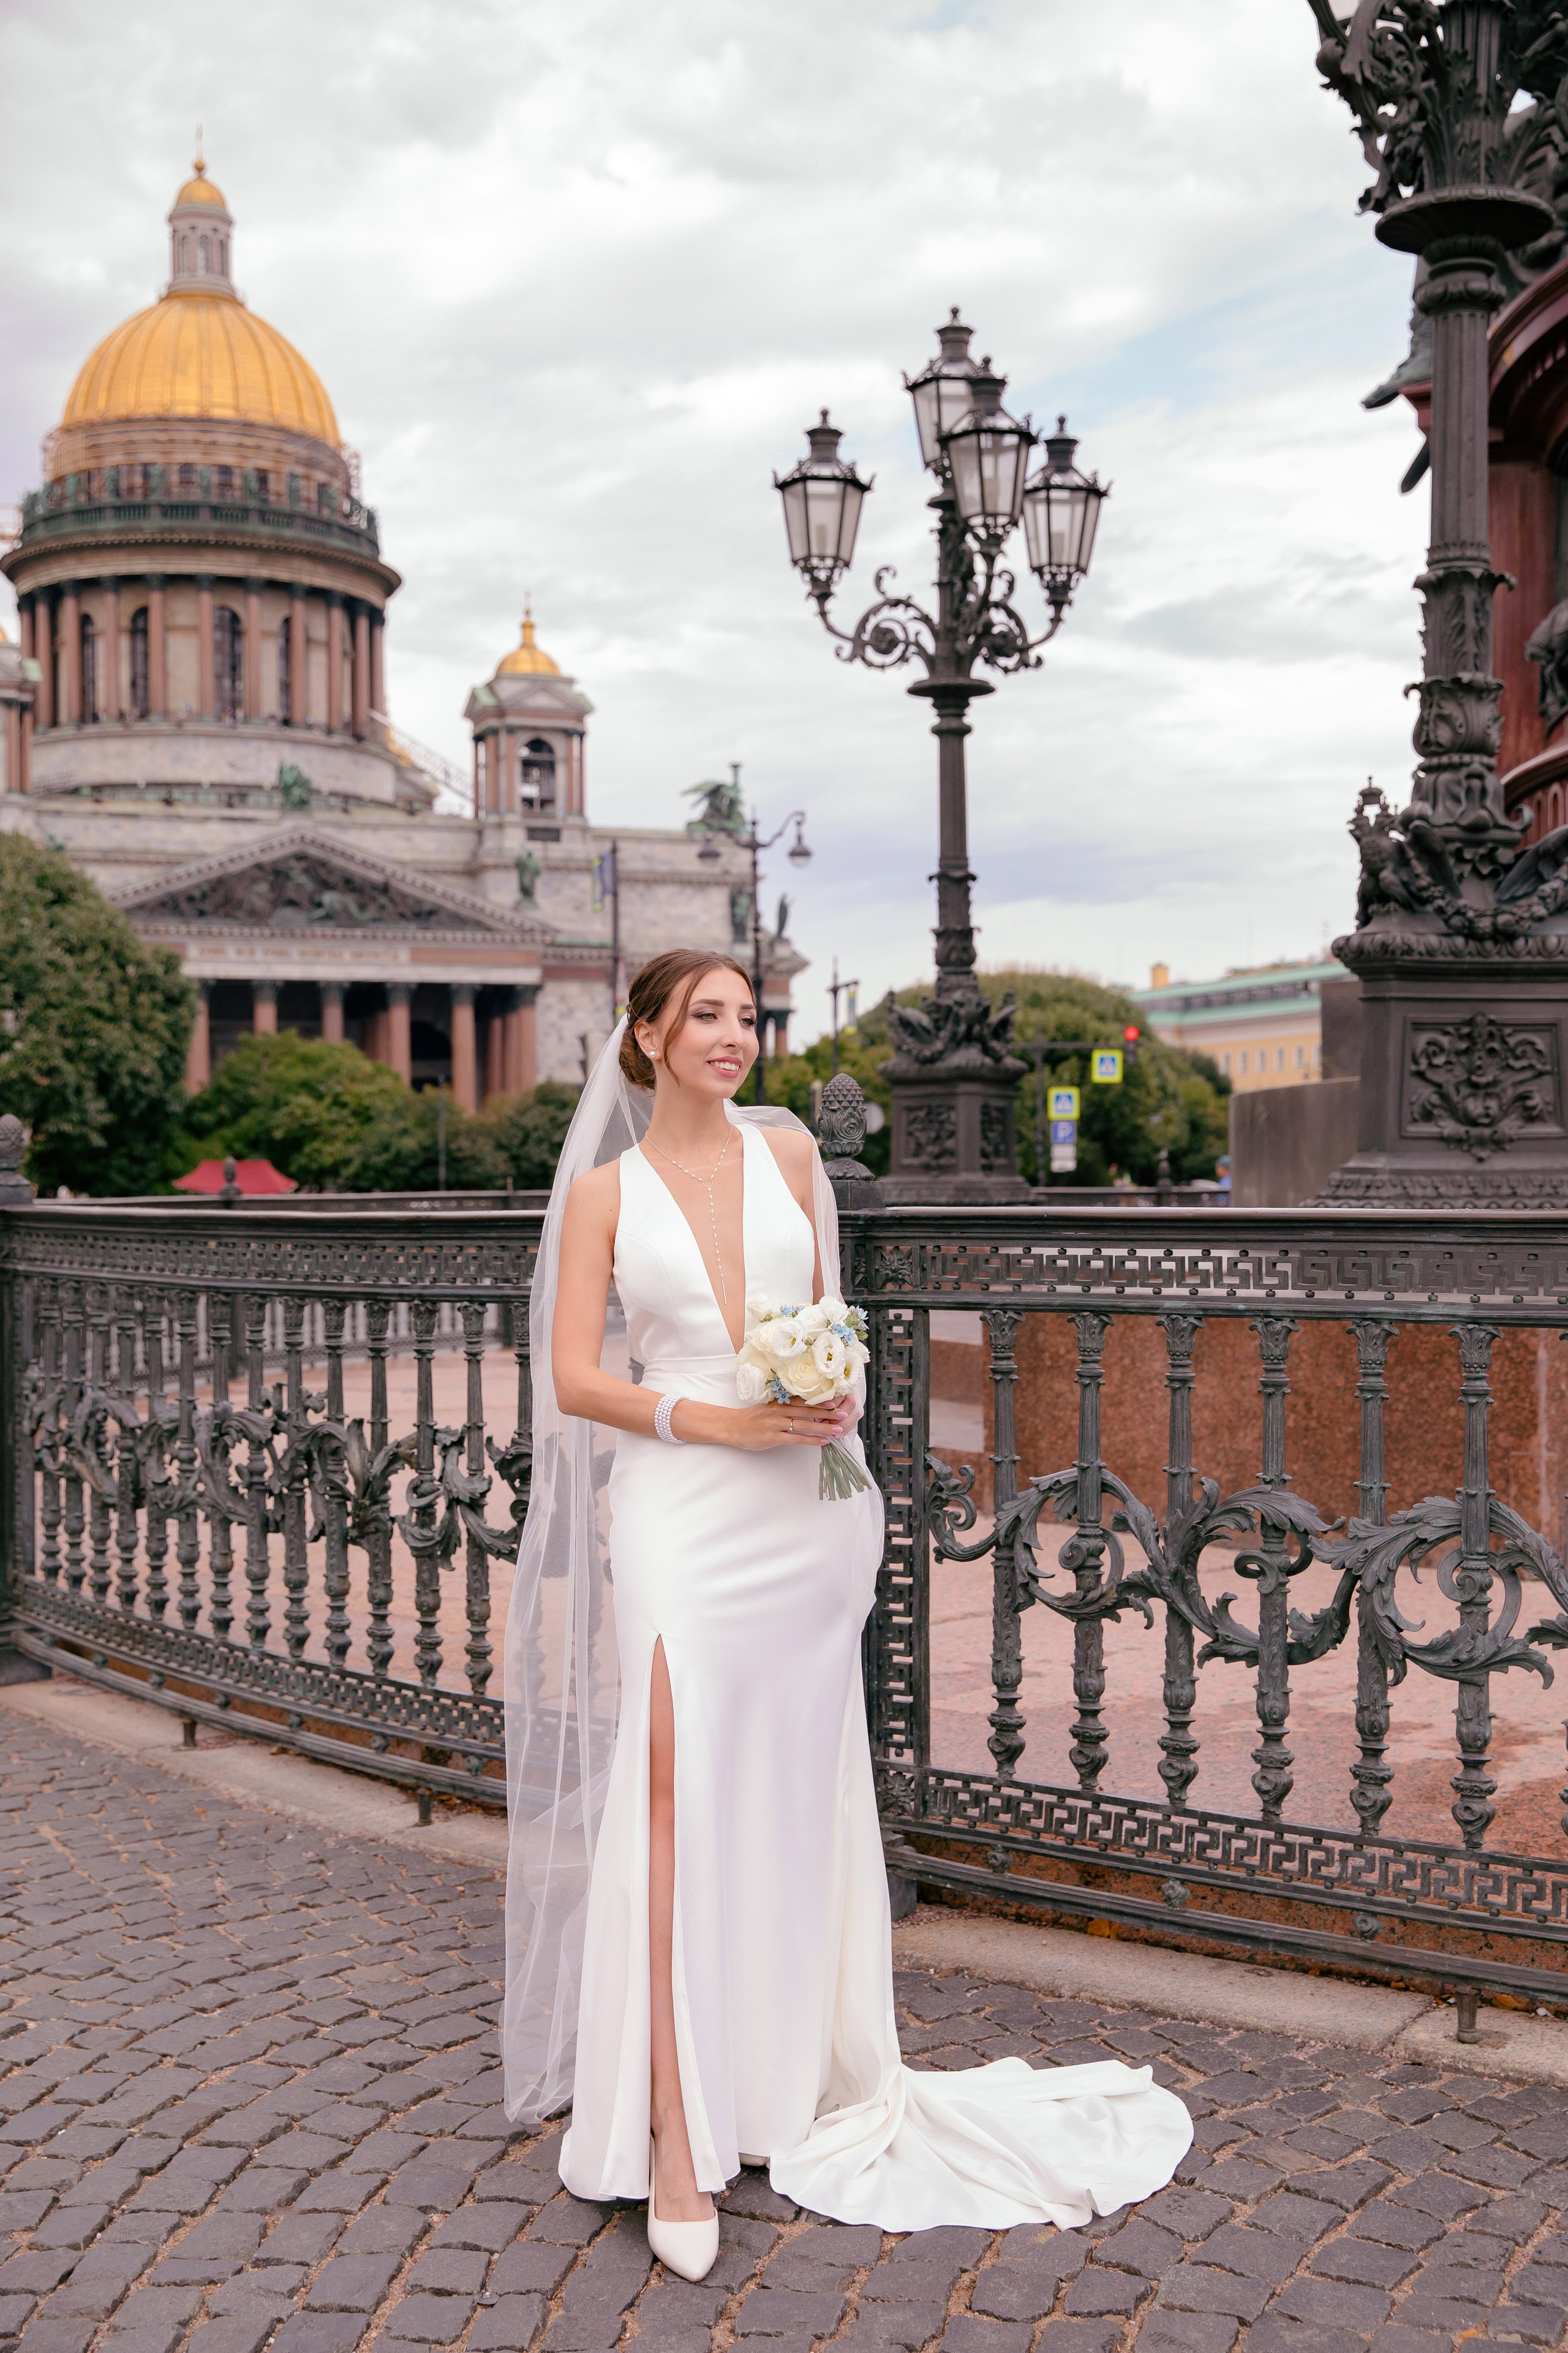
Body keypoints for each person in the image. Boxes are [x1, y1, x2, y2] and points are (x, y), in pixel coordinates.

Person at [501, 950, 1192, 2280]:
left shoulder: (798, 1158)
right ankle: (665, 2128)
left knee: (781, 1788)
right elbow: (573, 1378)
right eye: (703, 1016)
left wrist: (829, 1412)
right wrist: (713, 1417)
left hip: (802, 1517)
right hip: (677, 1499)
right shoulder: (601, 1194)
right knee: (663, 1790)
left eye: (745, 1016)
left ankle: (771, 2080)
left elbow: (833, 1324)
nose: (731, 1036)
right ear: (643, 1035)